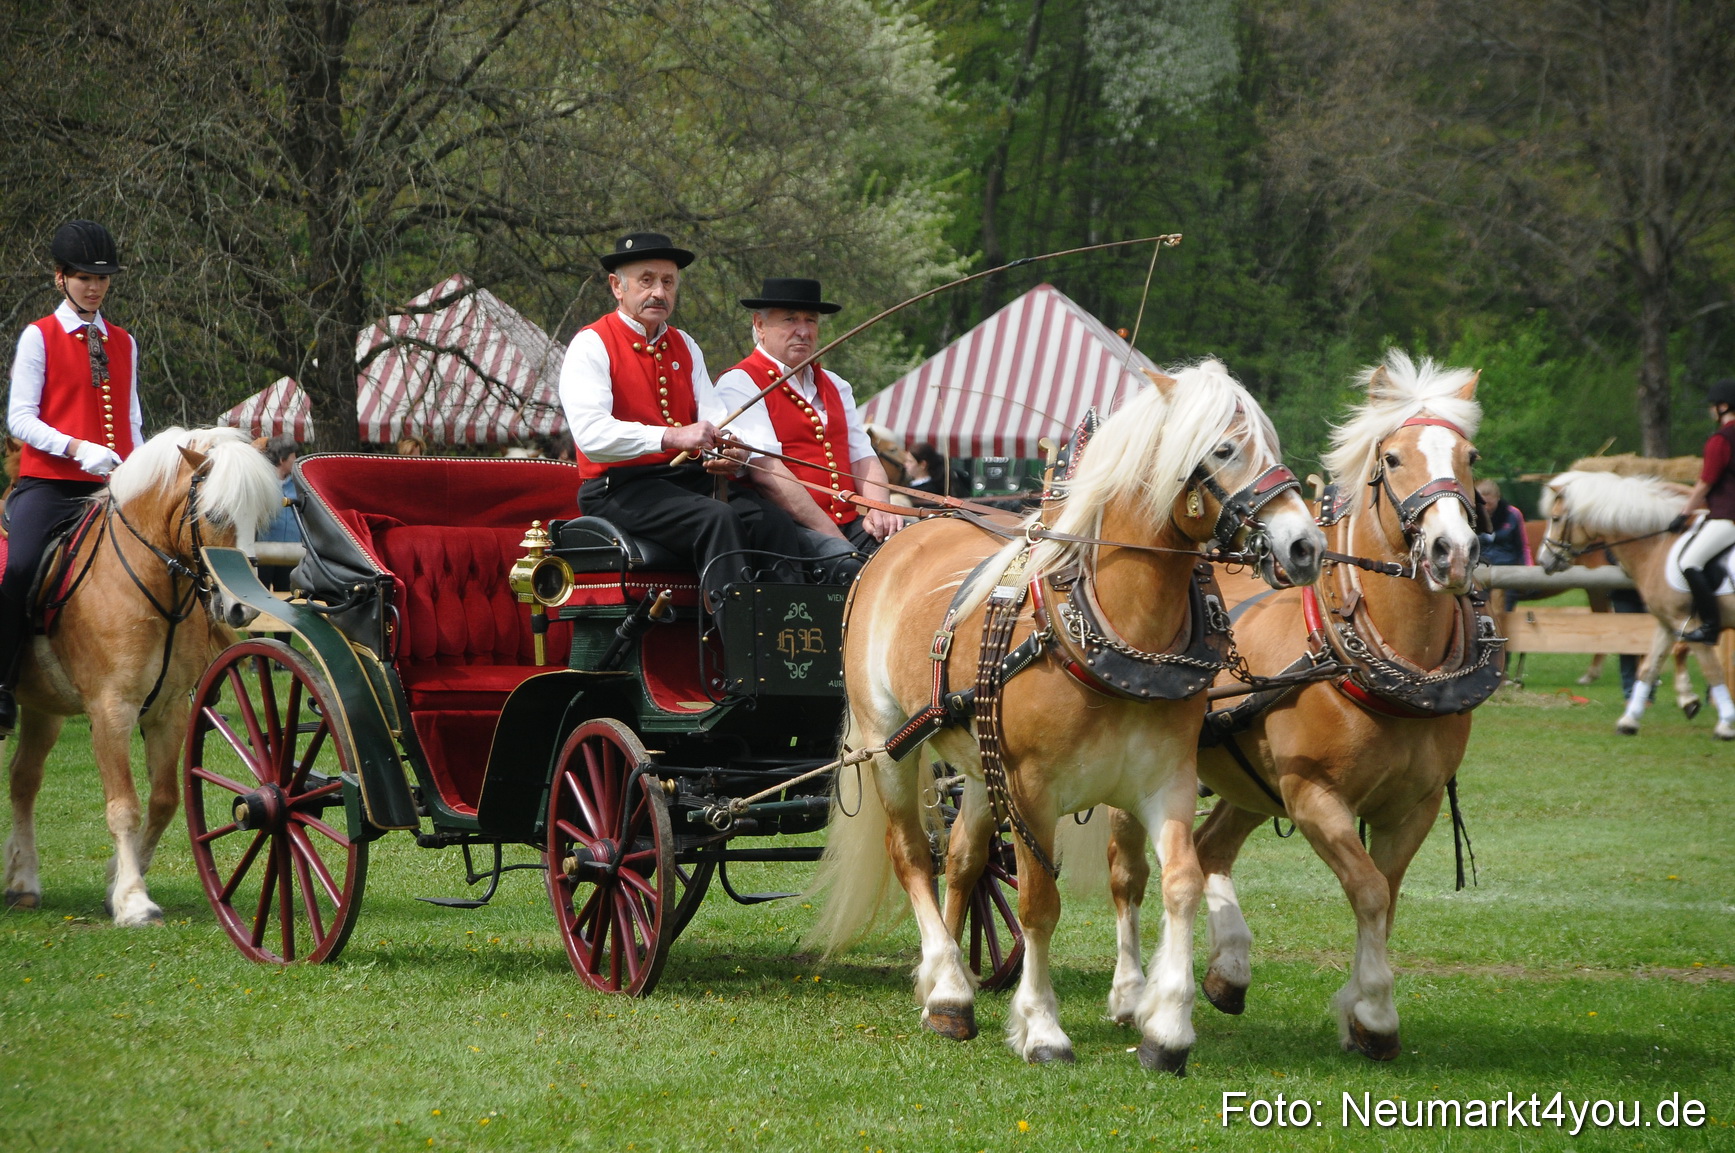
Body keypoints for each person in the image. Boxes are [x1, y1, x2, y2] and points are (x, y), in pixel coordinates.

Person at [558, 233, 805, 606]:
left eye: (668, 282)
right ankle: (741, 649)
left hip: (686, 481)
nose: (659, 291)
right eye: (647, 280)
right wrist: (672, 437)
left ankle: (791, 634)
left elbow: (716, 420)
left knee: (773, 524)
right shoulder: (591, 344)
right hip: (619, 487)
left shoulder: (685, 345)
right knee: (716, 519)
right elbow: (593, 437)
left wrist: (730, 446)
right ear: (616, 287)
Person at [0, 221, 143, 734]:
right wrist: (77, 448)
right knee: (17, 569)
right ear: (60, 278)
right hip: (52, 484)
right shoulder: (38, 336)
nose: (95, 286)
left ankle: (171, 675)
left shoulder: (124, 342)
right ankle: (2, 683)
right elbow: (18, 418)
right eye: (84, 277)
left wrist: (140, 470)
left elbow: (132, 422)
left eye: (103, 278)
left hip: (112, 488)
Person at [714, 278, 902, 580]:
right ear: (759, 325)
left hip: (850, 523)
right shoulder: (741, 383)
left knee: (915, 554)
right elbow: (768, 475)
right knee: (849, 569)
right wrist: (839, 542)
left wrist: (880, 509)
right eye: (790, 319)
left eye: (810, 320)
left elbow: (863, 457)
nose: (803, 331)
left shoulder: (837, 385)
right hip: (790, 532)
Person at [1673, 377, 1735, 643]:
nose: (1711, 410)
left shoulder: (1720, 440)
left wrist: (1684, 512)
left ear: (1723, 406)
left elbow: (1706, 483)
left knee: (1689, 562)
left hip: (1728, 517)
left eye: (1713, 406)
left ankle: (1710, 626)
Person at [1475, 478, 1533, 612]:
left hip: (1507, 570)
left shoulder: (1513, 514)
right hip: (1480, 570)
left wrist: (1528, 568)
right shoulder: (1472, 514)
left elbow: (1523, 546)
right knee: (1480, 612)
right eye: (1483, 504)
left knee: (1503, 612)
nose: (1487, 507)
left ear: (1498, 498)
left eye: (1490, 503)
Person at [255, 435, 301, 591]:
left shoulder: (298, 485)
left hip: (292, 553)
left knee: (288, 597)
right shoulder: (261, 484)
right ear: (282, 459)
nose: (296, 461)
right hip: (262, 553)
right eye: (293, 457)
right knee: (260, 595)